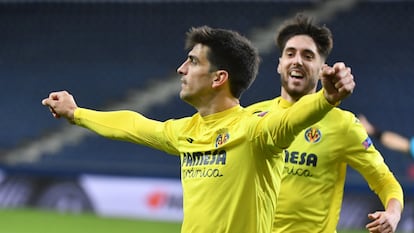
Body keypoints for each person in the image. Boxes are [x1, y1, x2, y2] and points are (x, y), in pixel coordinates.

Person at [42, 26, 354, 233]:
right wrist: (77, 113)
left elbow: (290, 120)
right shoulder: (184, 131)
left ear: (218, 78)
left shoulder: (256, 130)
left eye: (192, 61)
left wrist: (327, 98)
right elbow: (133, 125)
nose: (181, 69)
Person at [246, 14, 403, 233]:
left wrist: (393, 213)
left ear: (321, 68)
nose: (297, 60)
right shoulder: (252, 116)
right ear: (280, 64)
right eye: (290, 53)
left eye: (308, 55)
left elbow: (385, 180)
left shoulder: (343, 125)